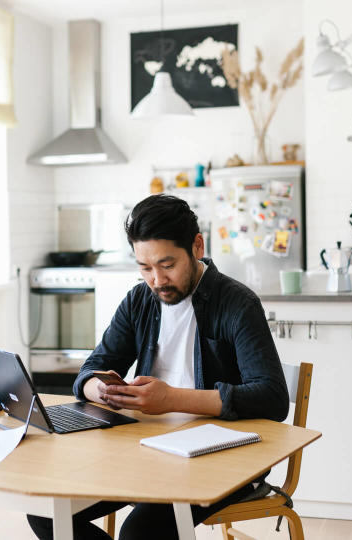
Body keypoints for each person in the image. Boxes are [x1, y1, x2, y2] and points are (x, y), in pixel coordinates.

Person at [27, 194, 289, 540]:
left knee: (141, 531)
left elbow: (272, 398)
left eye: (167, 265)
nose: (157, 280)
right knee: (46, 510)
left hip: (223, 456)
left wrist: (172, 399)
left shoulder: (237, 303)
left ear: (197, 245)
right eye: (145, 267)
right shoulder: (139, 301)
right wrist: (99, 387)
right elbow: (93, 368)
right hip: (146, 450)